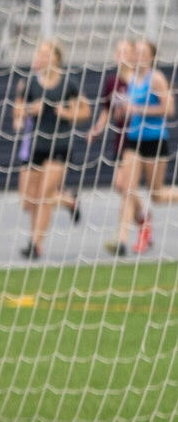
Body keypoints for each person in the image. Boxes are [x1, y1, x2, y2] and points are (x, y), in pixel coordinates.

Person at [11, 39, 89, 260]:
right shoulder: (29, 84)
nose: (40, 58)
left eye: (45, 54)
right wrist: (29, 110)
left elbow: (85, 112)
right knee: (28, 201)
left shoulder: (68, 84)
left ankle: (35, 244)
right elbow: (17, 112)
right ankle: (69, 200)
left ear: (56, 58)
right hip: (35, 146)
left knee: (44, 195)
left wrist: (67, 113)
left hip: (60, 146)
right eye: (39, 54)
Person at [105, 39, 177, 256]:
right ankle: (121, 239)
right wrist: (122, 111)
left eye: (143, 53)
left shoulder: (156, 78)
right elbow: (127, 109)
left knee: (157, 195)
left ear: (152, 57)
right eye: (136, 52)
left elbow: (168, 109)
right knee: (127, 188)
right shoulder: (131, 80)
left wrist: (137, 108)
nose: (138, 56)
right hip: (133, 140)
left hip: (154, 141)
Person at [88, 39, 141, 243]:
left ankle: (122, 238)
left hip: (139, 138)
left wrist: (133, 111)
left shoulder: (140, 79)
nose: (121, 55)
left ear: (134, 55)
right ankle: (143, 217)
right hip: (121, 137)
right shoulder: (112, 81)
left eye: (125, 51)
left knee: (125, 185)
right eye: (118, 51)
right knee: (121, 185)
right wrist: (97, 129)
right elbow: (107, 110)